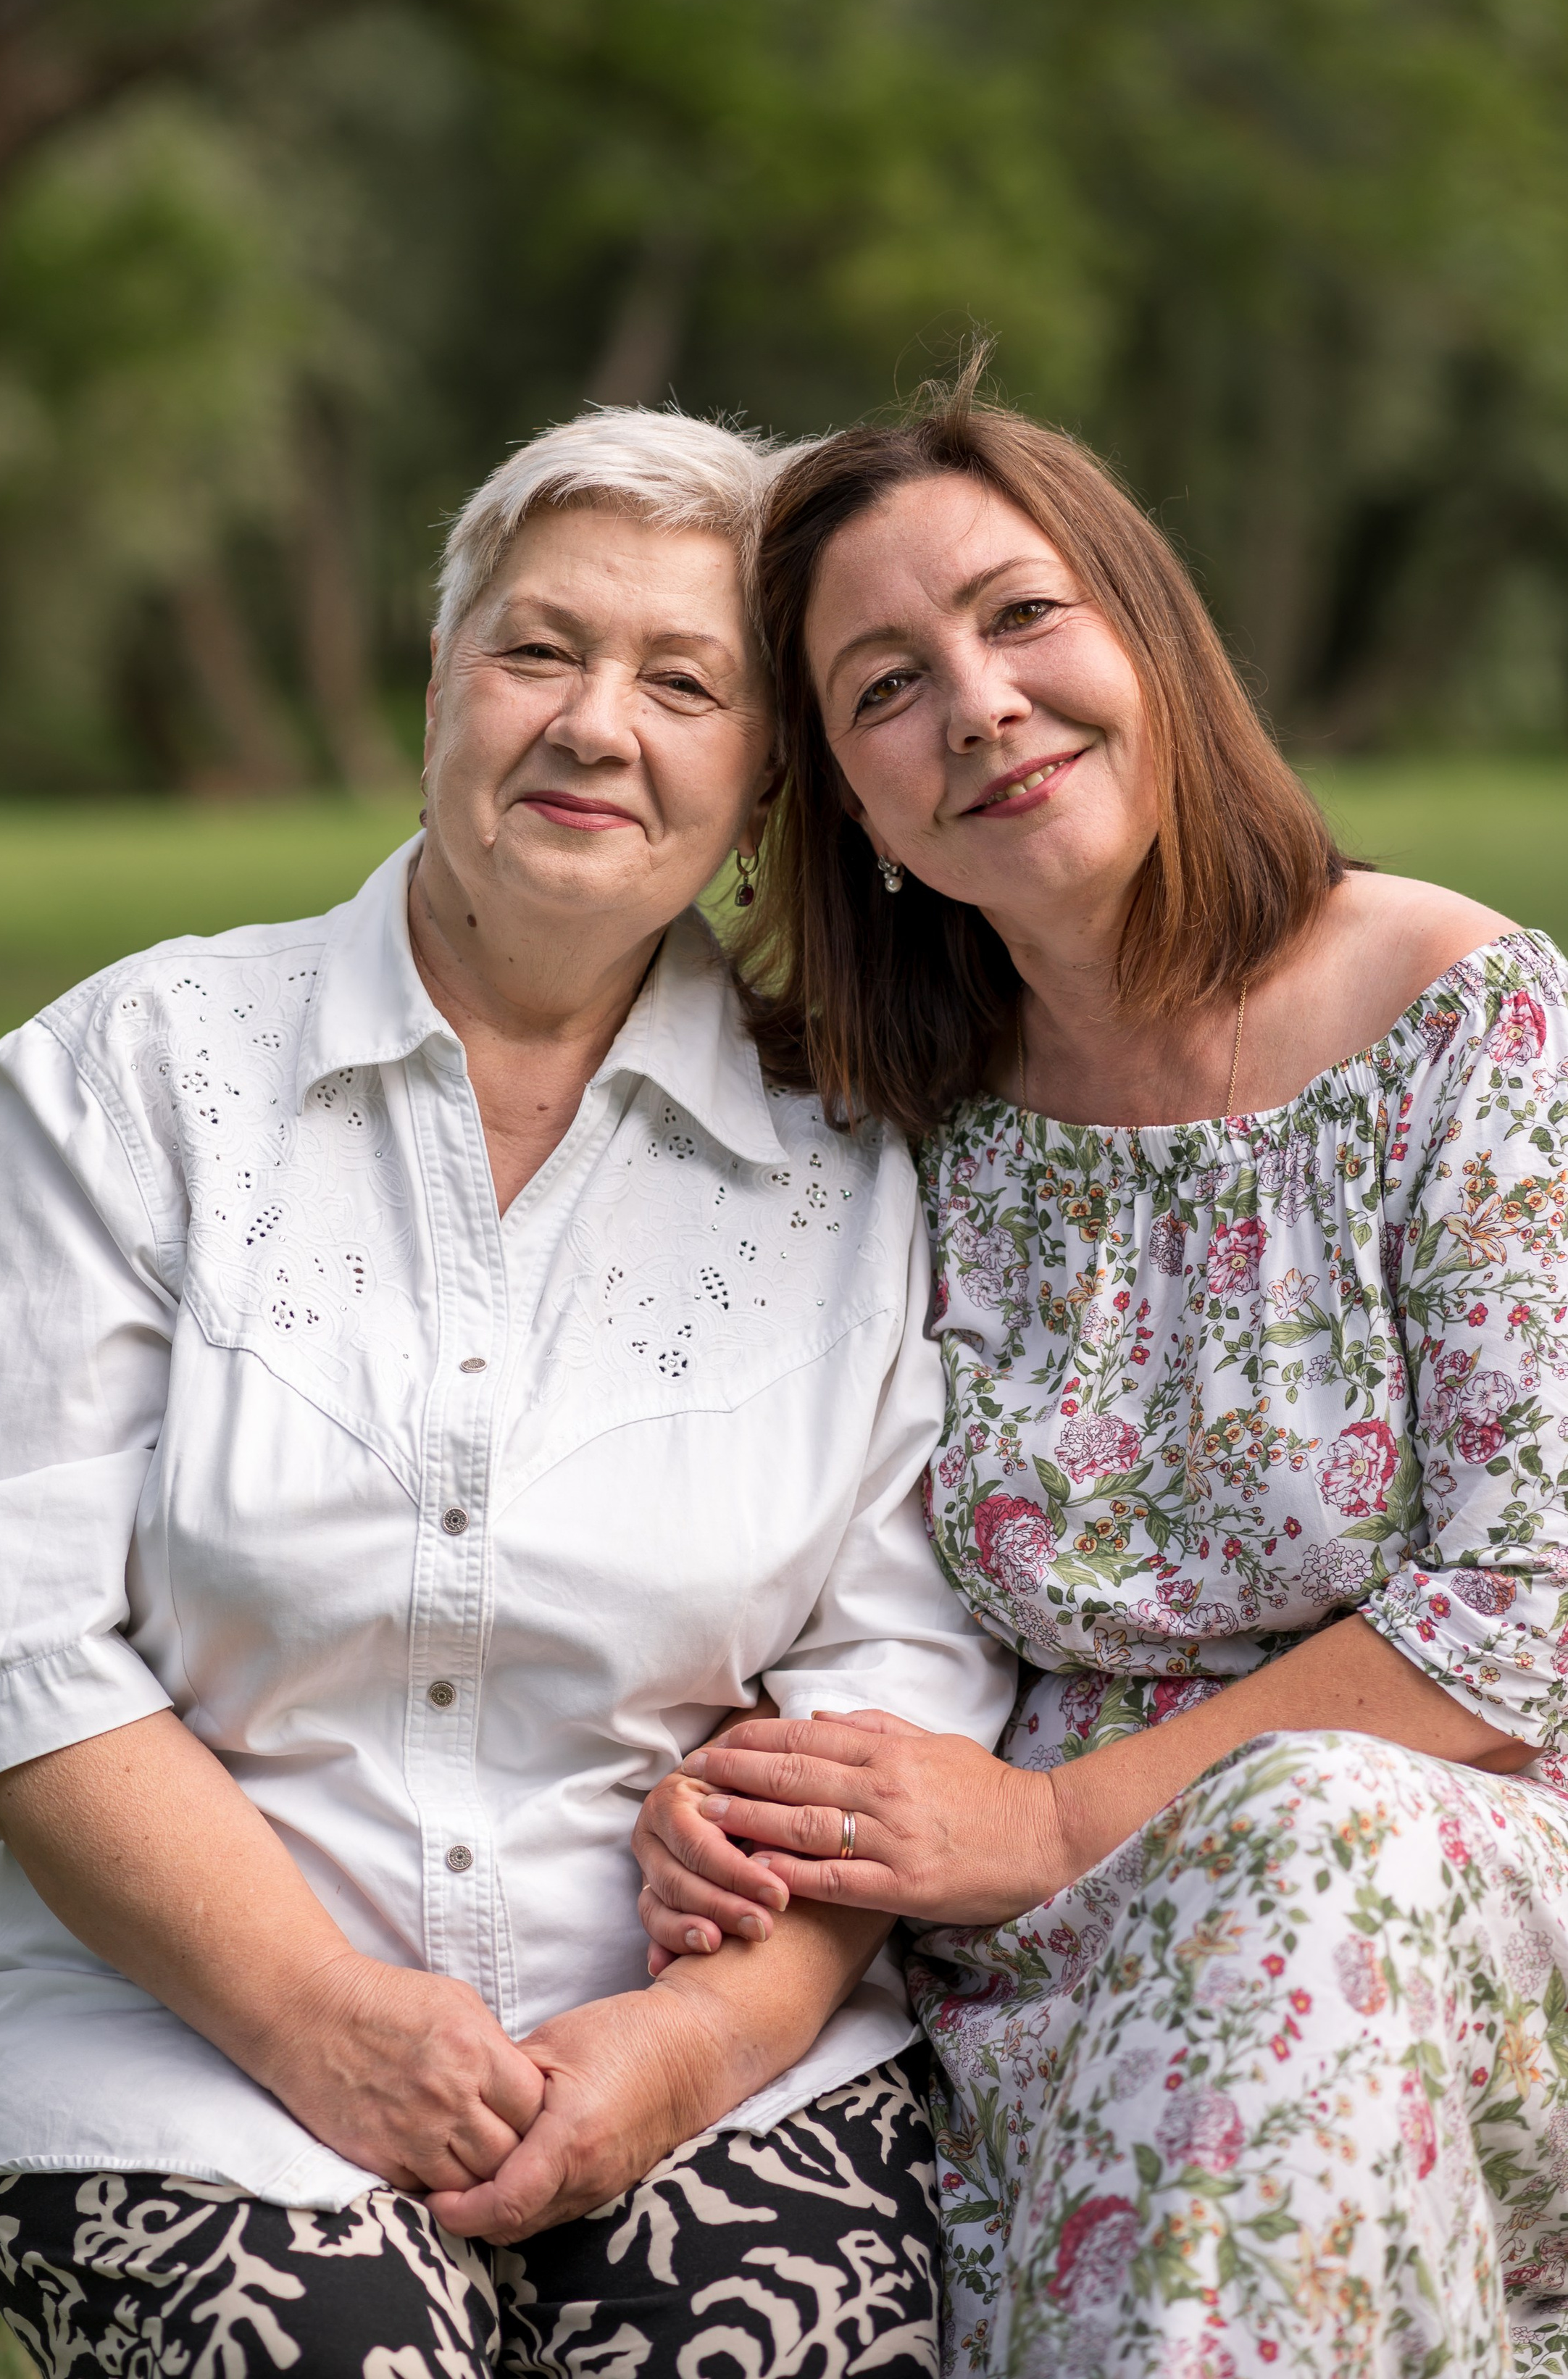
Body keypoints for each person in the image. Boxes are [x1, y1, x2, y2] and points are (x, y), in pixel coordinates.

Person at [0, 405, 1014, 2379]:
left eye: (687, 681)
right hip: (183, 2052)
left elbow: (891, 1691)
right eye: (539, 651)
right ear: (439, 688)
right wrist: (318, 2016)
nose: (598, 724)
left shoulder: (853, 1165)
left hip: (711, 2063)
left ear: (765, 780)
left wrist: (677, 2054)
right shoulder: (130, 1077)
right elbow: (16, 1649)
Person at [632, 371, 1568, 2378]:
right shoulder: (893, 1124)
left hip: (1447, 1885)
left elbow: (1529, 1608)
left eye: (1019, 615)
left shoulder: (1461, 1024)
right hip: (1027, 1962)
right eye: (884, 688)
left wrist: (1061, 1828)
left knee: (1316, 1829)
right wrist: (738, 1802)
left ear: (1150, 635)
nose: (974, 704)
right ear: (857, 810)